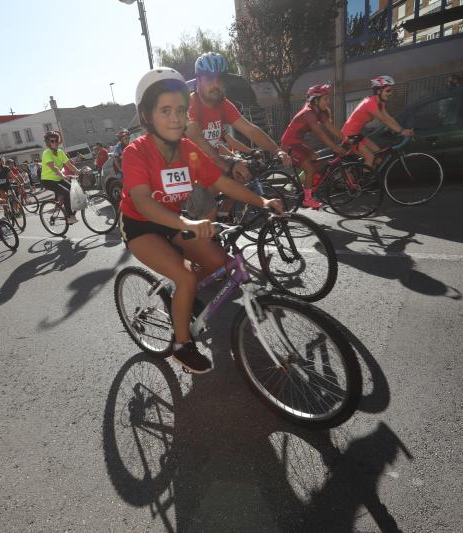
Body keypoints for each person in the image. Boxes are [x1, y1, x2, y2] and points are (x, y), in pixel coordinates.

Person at [119, 67, 284, 374]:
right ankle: (182, 346)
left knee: (221, 266)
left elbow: (221, 182)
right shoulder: (136, 152)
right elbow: (142, 201)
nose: (176, 118)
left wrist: (262, 201)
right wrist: (190, 225)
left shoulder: (187, 149)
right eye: (165, 110)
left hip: (176, 222)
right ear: (147, 116)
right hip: (140, 226)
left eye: (180, 110)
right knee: (185, 278)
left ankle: (185, 298)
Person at [184, 52, 292, 219]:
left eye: (219, 79)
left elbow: (250, 129)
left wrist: (277, 150)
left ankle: (225, 212)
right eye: (209, 79)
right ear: (198, 81)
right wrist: (226, 165)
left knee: (246, 170)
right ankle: (213, 224)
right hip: (190, 169)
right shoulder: (192, 104)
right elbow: (196, 139)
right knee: (209, 221)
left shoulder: (223, 104)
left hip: (211, 162)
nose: (216, 84)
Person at [280, 84, 349, 209]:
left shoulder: (319, 111)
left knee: (316, 158)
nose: (328, 102)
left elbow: (330, 127)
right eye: (325, 99)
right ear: (315, 100)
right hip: (288, 145)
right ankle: (307, 199)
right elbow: (319, 132)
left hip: (298, 143)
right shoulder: (308, 112)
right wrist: (334, 147)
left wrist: (346, 139)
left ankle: (306, 184)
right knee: (310, 169)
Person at [341, 75, 413, 169]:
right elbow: (384, 120)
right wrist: (402, 132)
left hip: (357, 134)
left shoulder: (380, 103)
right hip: (348, 136)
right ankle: (362, 182)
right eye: (388, 90)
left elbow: (389, 118)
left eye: (390, 90)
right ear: (379, 91)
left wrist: (402, 130)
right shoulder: (370, 103)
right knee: (370, 157)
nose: (390, 93)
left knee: (378, 154)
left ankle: (369, 174)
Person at [40, 131, 81, 224]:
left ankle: (67, 209)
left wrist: (79, 171)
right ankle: (70, 216)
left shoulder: (60, 152)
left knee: (74, 190)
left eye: (56, 141)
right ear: (48, 143)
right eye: (52, 141)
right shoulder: (46, 153)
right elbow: (53, 167)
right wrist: (62, 175)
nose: (54, 143)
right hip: (47, 181)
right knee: (66, 193)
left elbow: (68, 164)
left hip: (58, 179)